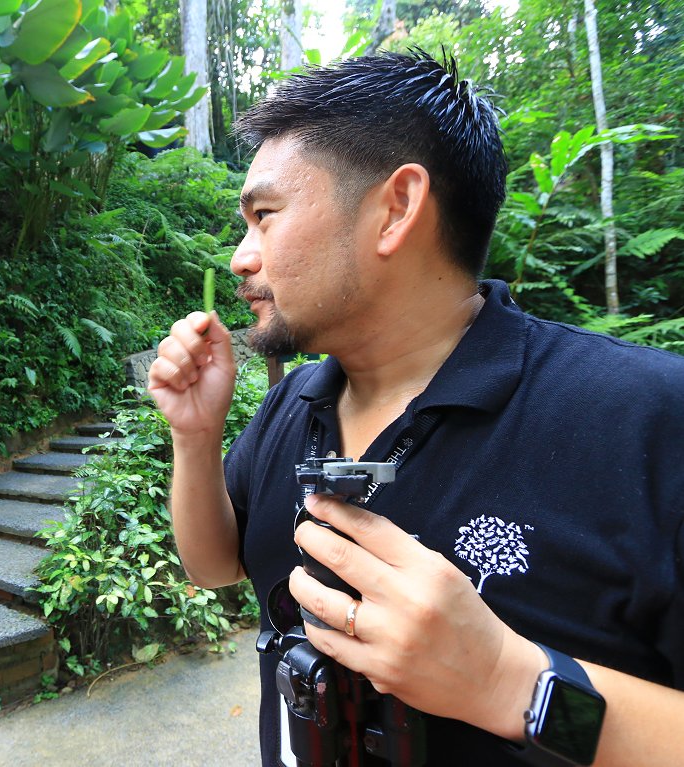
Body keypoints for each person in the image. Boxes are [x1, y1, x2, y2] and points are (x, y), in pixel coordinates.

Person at [148, 50, 684, 767]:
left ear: (396, 208)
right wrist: (194, 435)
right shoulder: (290, 403)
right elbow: (215, 566)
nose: (241, 257)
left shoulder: (646, 418)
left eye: (264, 215)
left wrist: (509, 679)